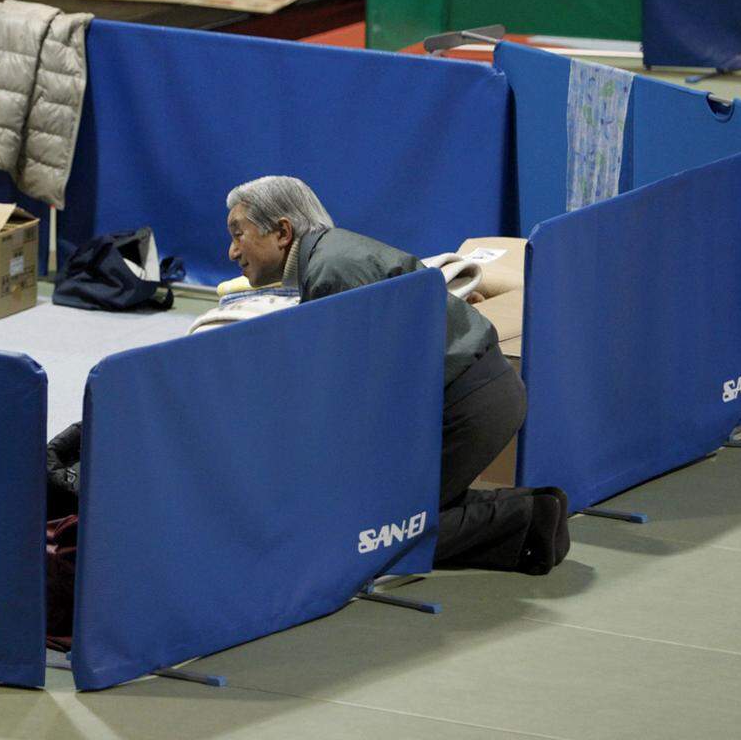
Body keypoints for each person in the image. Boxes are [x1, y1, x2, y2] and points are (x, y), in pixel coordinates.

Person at [226, 175, 570, 575]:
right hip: (479, 393)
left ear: (282, 231)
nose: (232, 250)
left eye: (239, 234)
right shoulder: (333, 255)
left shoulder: (332, 273)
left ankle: (527, 520)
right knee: (388, 515)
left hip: (467, 406)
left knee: (369, 534)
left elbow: (355, 396)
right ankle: (533, 513)